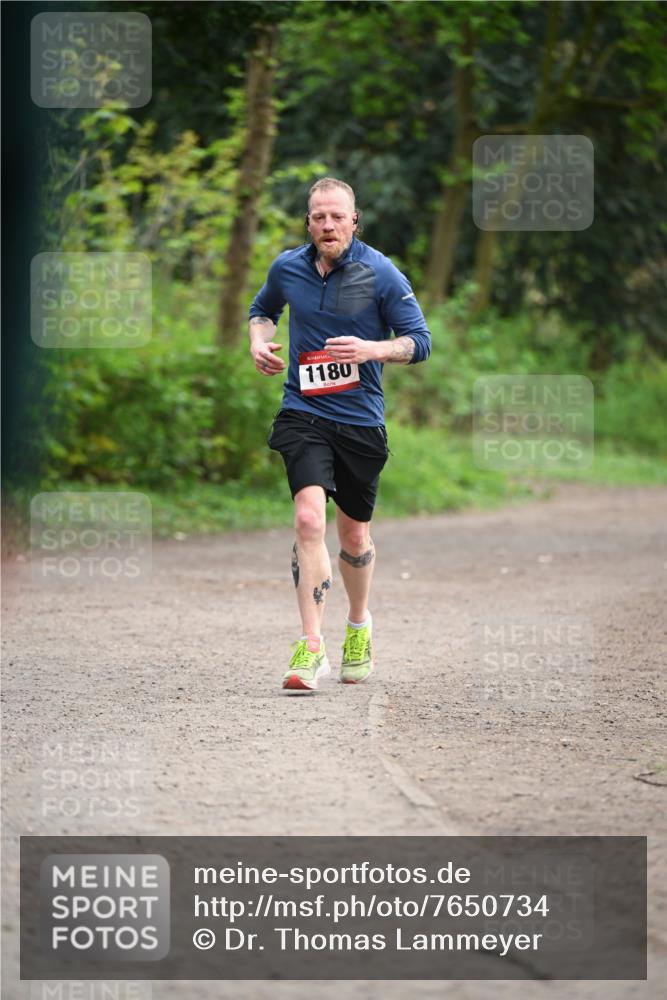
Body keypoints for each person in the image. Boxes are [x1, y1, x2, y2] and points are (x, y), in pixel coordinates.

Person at [248, 177, 431, 692]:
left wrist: (372, 350)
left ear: (355, 221)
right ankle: (310, 646)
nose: (328, 225)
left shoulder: (381, 273)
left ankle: (358, 626)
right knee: (308, 519)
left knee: (353, 535)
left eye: (337, 217)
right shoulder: (287, 266)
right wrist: (258, 343)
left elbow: (420, 342)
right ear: (308, 222)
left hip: (360, 422)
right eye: (318, 217)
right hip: (302, 412)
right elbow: (261, 310)